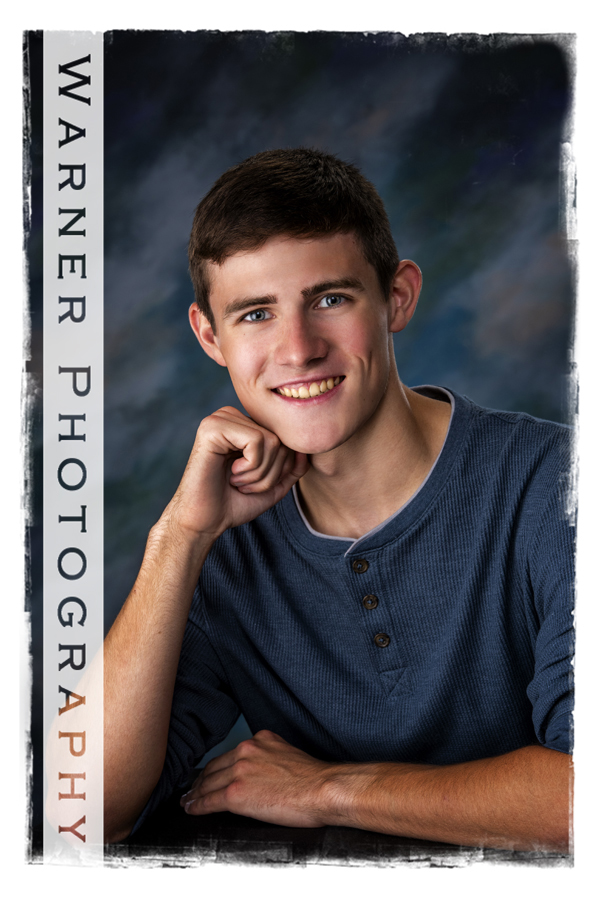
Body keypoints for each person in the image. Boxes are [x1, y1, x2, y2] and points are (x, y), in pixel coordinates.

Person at [103, 148, 574, 851]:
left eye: (329, 299)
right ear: (210, 336)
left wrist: (327, 789)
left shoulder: (558, 484)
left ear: (397, 298)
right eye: (256, 314)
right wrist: (179, 538)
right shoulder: (221, 542)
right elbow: (78, 815)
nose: (297, 349)